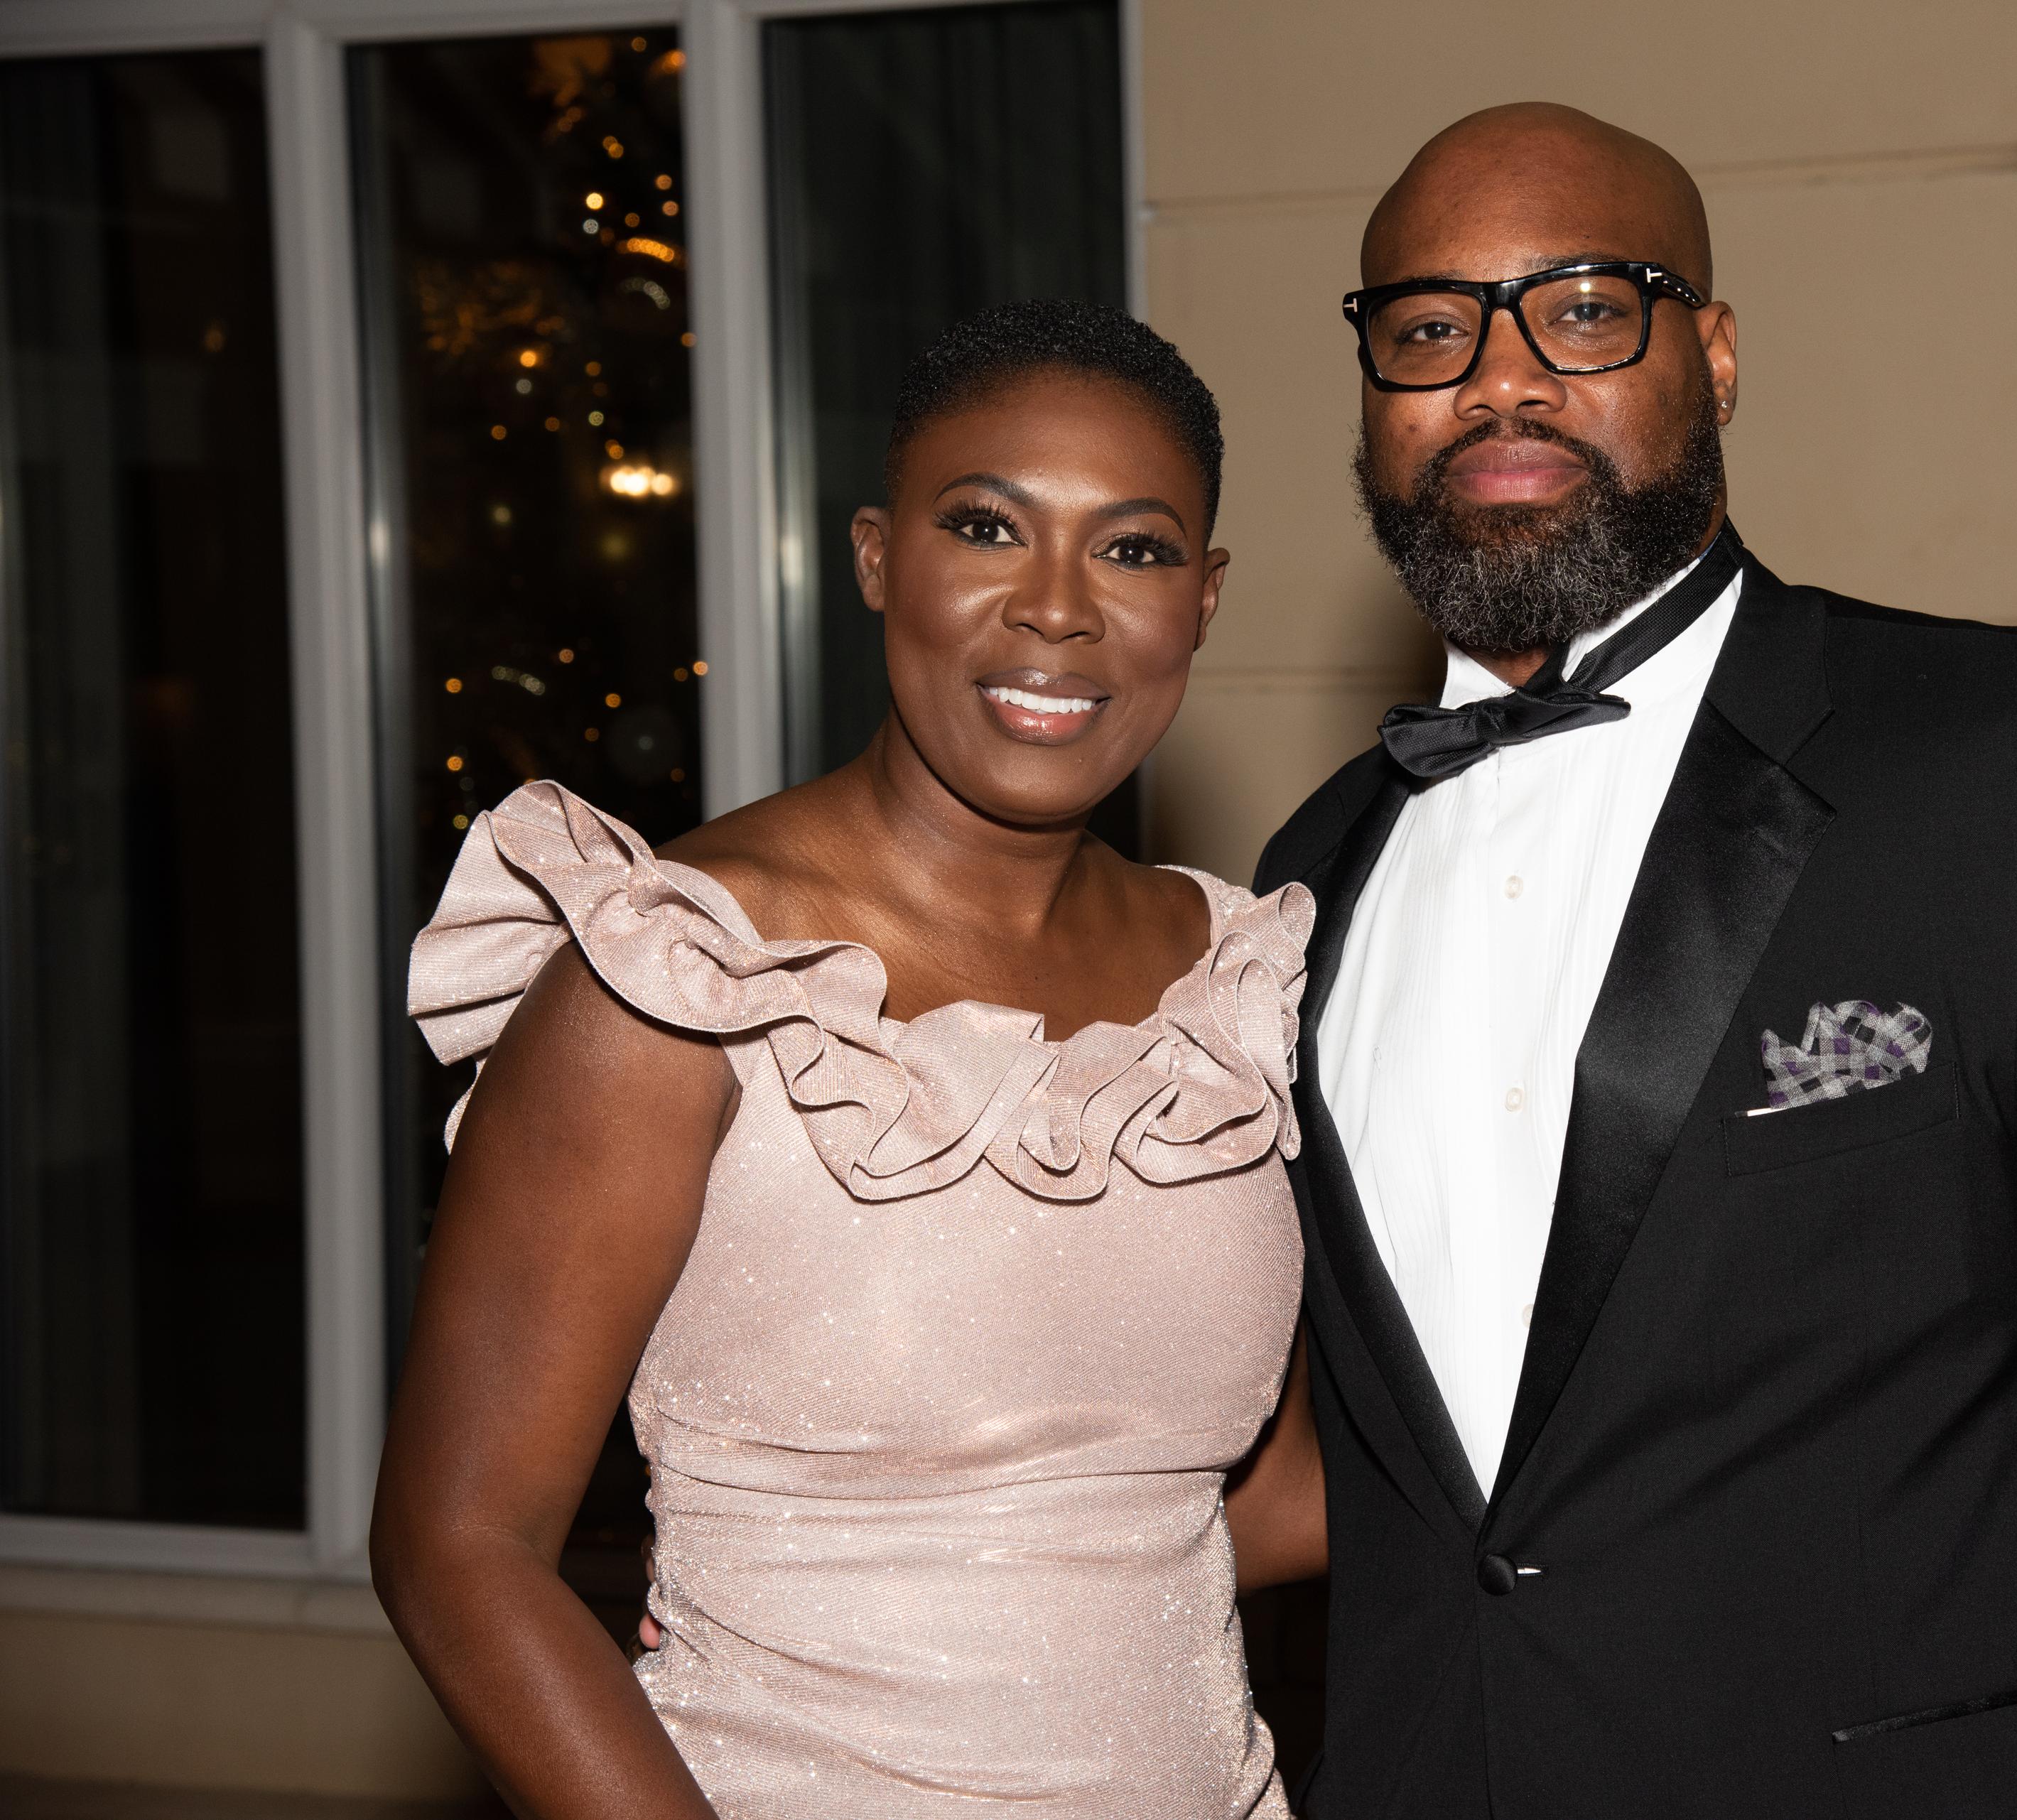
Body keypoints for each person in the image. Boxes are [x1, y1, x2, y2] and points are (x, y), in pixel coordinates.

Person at [1253, 104, 2017, 1818]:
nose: (1498, 379)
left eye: (1584, 309)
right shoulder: (1309, 876)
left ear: (1716, 356)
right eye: (1430, 328)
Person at [370, 300, 1326, 1818]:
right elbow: (459, 1545)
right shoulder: (681, 973)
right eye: (987, 527)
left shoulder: (1236, 988)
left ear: (1202, 601)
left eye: (1134, 549)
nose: (1057, 609)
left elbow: (1249, 1506)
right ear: (879, 558)